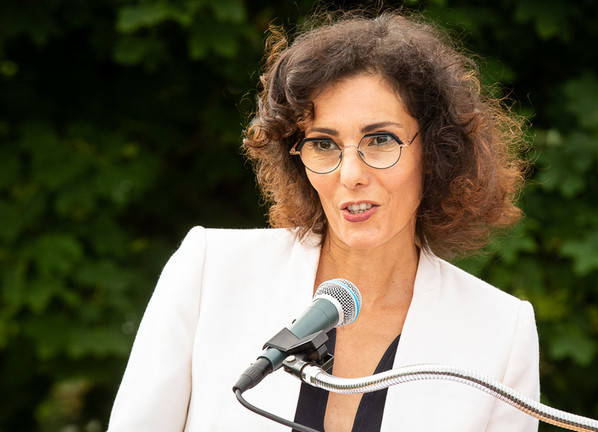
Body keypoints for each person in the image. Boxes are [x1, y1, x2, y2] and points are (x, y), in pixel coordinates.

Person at [108, 10, 539, 432]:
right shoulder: (211, 271)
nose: (350, 175)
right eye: (323, 144)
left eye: (380, 139)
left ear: (436, 151)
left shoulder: (500, 332)